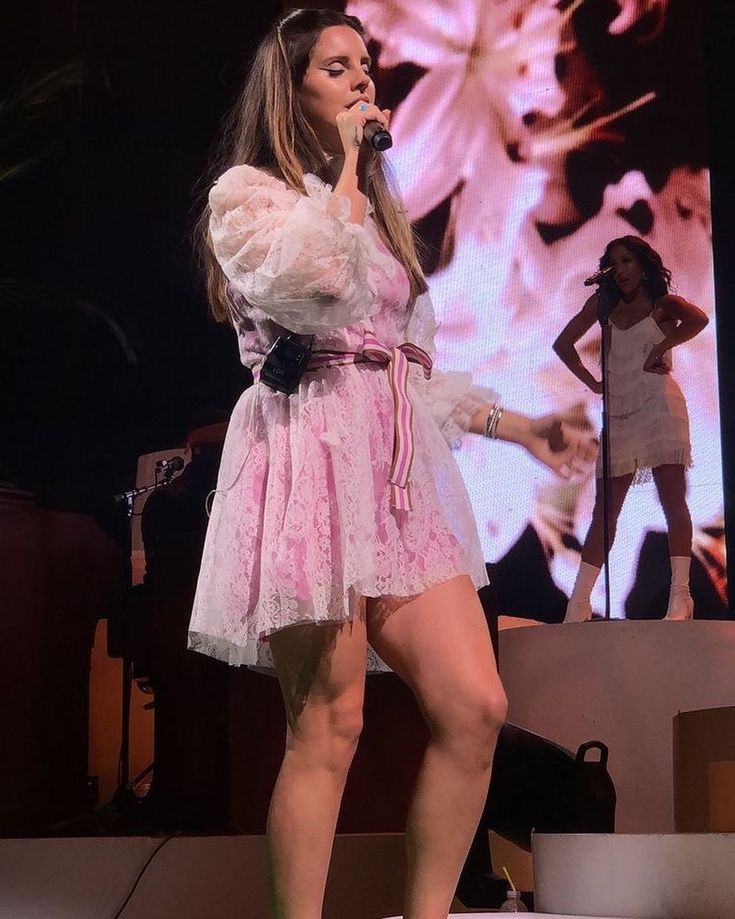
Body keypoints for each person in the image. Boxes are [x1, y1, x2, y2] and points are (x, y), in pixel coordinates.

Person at [187, 9, 597, 918]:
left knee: (475, 705)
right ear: (292, 95)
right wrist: (341, 175)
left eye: (365, 64)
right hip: (310, 463)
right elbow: (308, 283)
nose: (363, 80)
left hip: (398, 475)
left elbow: (408, 372)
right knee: (328, 724)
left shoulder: (375, 218)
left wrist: (520, 427)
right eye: (337, 69)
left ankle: (429, 914)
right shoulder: (249, 195)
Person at [553, 235, 709, 623]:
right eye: (613, 262)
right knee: (606, 511)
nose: (620, 269)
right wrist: (592, 384)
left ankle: (680, 597)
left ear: (642, 265)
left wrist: (662, 347)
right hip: (619, 412)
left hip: (659, 406)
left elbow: (699, 319)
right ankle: (579, 601)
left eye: (626, 260)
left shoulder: (663, 305)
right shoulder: (602, 307)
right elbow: (564, 344)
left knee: (673, 500)